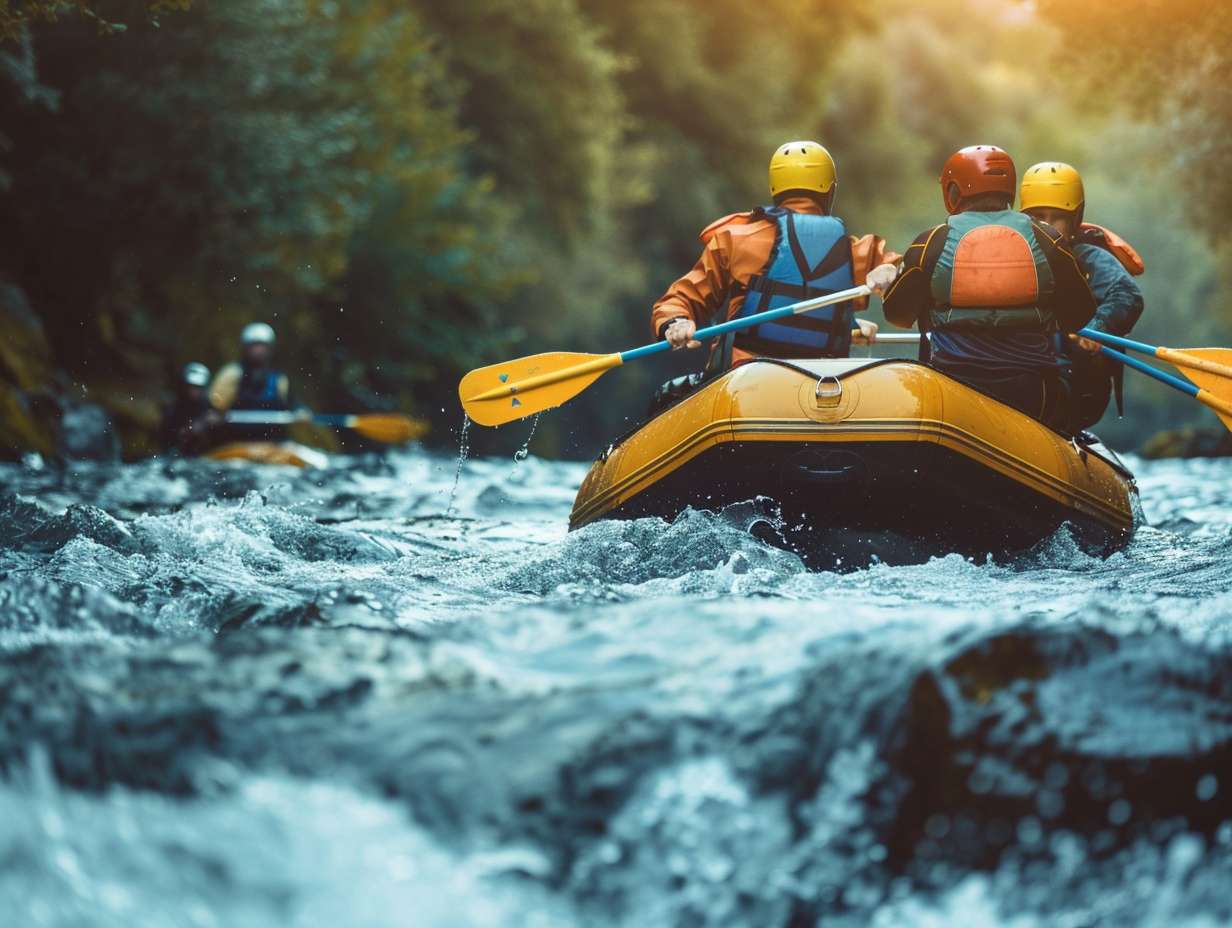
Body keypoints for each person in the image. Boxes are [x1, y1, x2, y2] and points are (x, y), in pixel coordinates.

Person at [881, 145, 1097, 429]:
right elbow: (1079, 315)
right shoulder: (1048, 240)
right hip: (1033, 393)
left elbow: (897, 314)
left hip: (953, 391)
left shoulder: (931, 243)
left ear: (954, 191)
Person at [651, 141, 900, 370]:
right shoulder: (851, 250)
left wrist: (675, 322)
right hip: (823, 382)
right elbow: (908, 272)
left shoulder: (734, 239)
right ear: (830, 192)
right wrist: (889, 271)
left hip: (745, 376)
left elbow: (680, 298)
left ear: (775, 189)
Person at [1019, 161, 1145, 431]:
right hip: (1024, 374)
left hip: (1078, 384)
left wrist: (1095, 329)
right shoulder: (1012, 259)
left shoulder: (1089, 258)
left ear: (1075, 219)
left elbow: (1128, 295)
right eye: (1037, 216)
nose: (1047, 225)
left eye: (1057, 217)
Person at [208, 322, 293, 441]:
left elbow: (291, 405)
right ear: (245, 348)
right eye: (254, 346)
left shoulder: (279, 379)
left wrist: (301, 412)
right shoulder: (231, 374)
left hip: (272, 446)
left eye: (262, 346)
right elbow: (214, 408)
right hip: (235, 444)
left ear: (270, 349)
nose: (259, 350)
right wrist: (214, 415)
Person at [159, 362, 215, 453]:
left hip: (202, 452)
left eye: (198, 388)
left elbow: (214, 418)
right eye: (192, 387)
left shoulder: (206, 404)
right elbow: (168, 434)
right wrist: (189, 430)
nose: (194, 391)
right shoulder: (174, 407)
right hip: (176, 452)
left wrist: (206, 423)